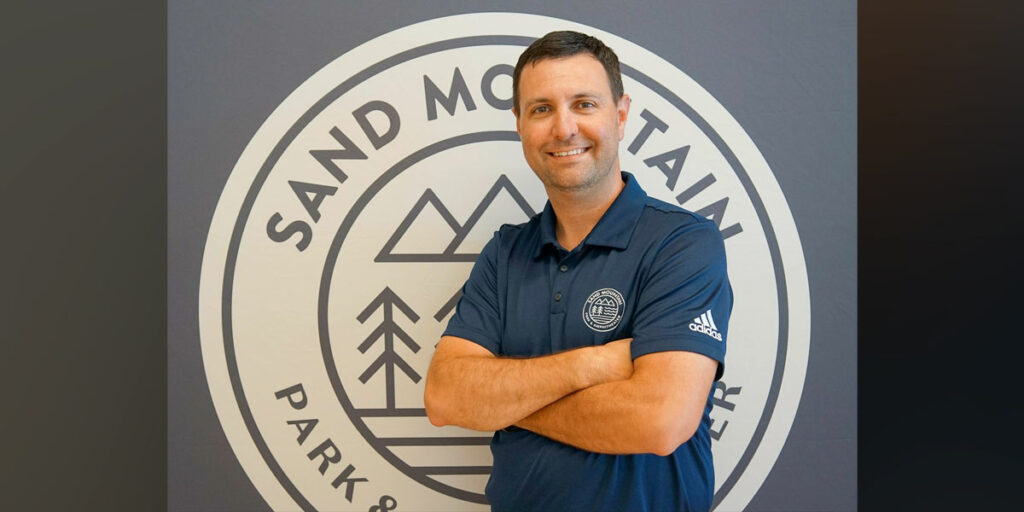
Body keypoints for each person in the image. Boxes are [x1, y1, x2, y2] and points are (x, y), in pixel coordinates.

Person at [424, 30, 732, 512]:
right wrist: (597, 364)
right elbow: (446, 397)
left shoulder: (682, 243)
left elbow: (660, 421)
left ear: (621, 115)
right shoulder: (505, 253)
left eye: (584, 104)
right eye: (541, 109)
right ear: (520, 125)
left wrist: (506, 402)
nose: (563, 128)